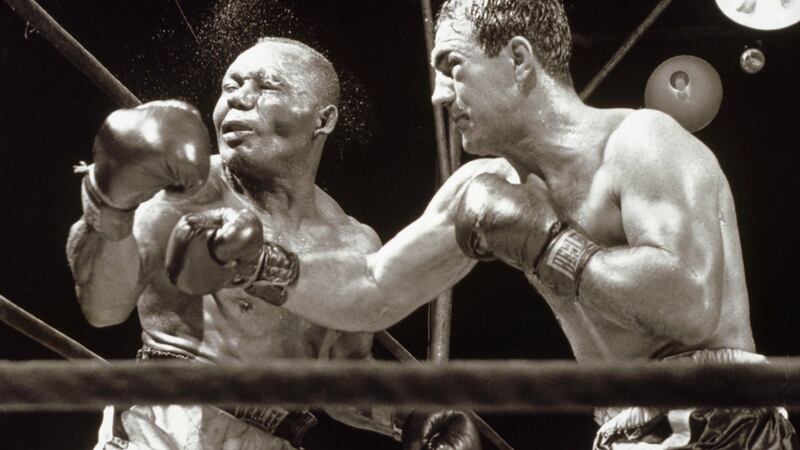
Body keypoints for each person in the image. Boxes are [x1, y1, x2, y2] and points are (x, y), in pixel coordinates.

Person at [252, 1, 797, 448]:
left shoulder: (642, 143)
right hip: (622, 428)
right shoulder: (482, 187)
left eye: (452, 66)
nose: (439, 94)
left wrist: (548, 242)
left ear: (517, 58)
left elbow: (690, 304)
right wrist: (253, 262)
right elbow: (371, 289)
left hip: (722, 415)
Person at [67, 37, 479, 450]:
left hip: (278, 438)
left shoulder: (353, 242)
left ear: (324, 120)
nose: (238, 100)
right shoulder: (186, 193)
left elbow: (343, 375)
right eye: (229, 87)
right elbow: (103, 309)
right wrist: (108, 207)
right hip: (163, 424)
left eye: (265, 86)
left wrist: (403, 416)